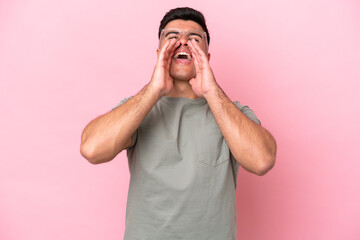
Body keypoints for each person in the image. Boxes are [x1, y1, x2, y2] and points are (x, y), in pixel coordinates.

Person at [80, 7, 276, 240]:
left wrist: (211, 91)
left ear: (207, 56)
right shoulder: (138, 109)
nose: (182, 42)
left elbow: (262, 160)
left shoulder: (233, 113)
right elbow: (91, 149)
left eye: (194, 39)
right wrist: (153, 89)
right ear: (159, 52)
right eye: (172, 37)